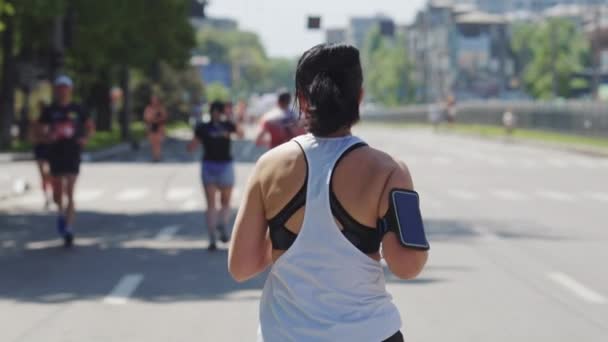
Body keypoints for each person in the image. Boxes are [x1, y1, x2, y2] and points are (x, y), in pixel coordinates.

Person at [229, 44, 429, 341]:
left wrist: (294, 235)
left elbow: (241, 266)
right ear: (359, 97)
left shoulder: (268, 167)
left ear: (302, 99)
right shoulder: (389, 171)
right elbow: (408, 265)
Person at [39, 76, 94, 247]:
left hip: (72, 152)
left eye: (66, 87)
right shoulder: (50, 110)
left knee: (70, 190)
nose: (63, 91)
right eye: (60, 87)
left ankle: (69, 227)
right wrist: (49, 135)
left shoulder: (77, 108)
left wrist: (85, 139)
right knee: (57, 192)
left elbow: (89, 125)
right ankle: (61, 213)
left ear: (70, 89)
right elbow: (41, 130)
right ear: (56, 90)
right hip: (55, 153)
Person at [188, 101, 244, 251]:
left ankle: (212, 236)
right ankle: (223, 225)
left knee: (211, 204)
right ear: (222, 112)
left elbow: (191, 147)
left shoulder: (203, 127)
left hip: (208, 166)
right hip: (225, 165)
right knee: (225, 202)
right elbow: (241, 134)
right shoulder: (227, 125)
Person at [30, 101, 52, 209]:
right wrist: (42, 139)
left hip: (50, 150)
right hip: (39, 150)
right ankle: (46, 197)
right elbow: (32, 138)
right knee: (42, 175)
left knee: (49, 173)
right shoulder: (36, 122)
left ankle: (52, 191)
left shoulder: (51, 122)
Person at [144, 95, 168, 162]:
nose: (154, 101)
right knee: (153, 143)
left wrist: (156, 119)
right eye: (153, 100)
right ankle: (155, 156)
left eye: (155, 100)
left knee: (158, 143)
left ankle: (157, 156)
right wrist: (154, 117)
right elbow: (147, 118)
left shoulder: (161, 108)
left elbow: (164, 118)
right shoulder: (148, 108)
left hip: (159, 127)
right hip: (151, 127)